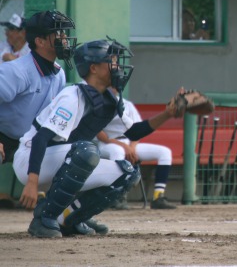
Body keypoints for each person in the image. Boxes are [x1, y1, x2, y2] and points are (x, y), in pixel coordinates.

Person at [13, 38, 182, 238]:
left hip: (63, 161)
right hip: (31, 160)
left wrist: (168, 113)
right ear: (93, 68)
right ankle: (43, 218)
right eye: (111, 61)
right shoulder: (72, 96)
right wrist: (32, 183)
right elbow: (41, 139)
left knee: (127, 173)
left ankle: (69, 218)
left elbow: (134, 132)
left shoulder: (109, 100)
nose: (117, 67)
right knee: (87, 150)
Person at [0, 10, 76, 208]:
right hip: (3, 136)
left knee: (78, 155)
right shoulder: (17, 71)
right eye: (58, 34)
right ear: (40, 42)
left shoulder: (58, 74)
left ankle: (60, 216)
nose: (65, 38)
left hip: (28, 141)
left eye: (65, 33)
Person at [95, 88, 182, 210]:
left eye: (115, 86)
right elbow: (102, 136)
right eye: (110, 85)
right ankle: (118, 196)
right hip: (108, 144)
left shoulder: (127, 104)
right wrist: (126, 147)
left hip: (129, 142)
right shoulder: (98, 103)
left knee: (164, 152)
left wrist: (131, 147)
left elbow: (137, 130)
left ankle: (158, 197)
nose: (113, 88)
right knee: (118, 151)